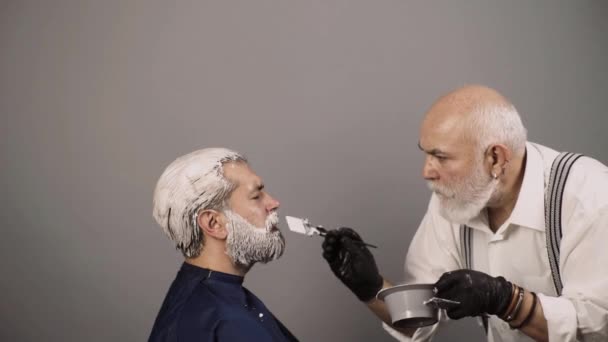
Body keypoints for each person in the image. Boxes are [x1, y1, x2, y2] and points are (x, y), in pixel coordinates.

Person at [322, 85, 608, 341]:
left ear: (495, 158)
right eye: (426, 154)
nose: (426, 172)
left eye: (441, 157)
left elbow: (599, 325)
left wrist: (506, 301)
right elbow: (421, 318)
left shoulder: (588, 195)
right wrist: (371, 288)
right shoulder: (456, 199)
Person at [149, 147, 298, 342]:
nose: (273, 203)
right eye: (256, 196)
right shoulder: (226, 324)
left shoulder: (210, 296)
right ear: (214, 223)